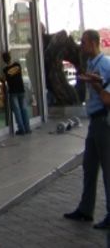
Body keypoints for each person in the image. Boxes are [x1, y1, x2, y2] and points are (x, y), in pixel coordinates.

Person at [64, 30, 110, 229]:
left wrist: (97, 85)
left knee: (107, 169)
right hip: (94, 121)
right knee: (89, 166)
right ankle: (85, 209)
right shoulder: (91, 64)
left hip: (104, 120)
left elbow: (106, 96)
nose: (81, 47)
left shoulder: (105, 65)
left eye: (83, 43)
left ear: (93, 43)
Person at [2, 52, 31, 135]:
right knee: (24, 110)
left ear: (4, 61)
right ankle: (27, 128)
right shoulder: (17, 65)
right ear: (10, 58)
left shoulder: (5, 70)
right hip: (21, 90)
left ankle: (21, 129)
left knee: (17, 111)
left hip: (13, 92)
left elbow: (3, 79)